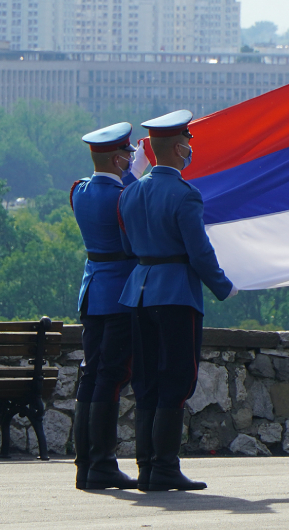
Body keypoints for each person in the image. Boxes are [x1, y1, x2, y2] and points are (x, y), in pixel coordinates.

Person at [117, 109, 238, 492]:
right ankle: (166, 467)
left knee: (147, 380)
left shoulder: (131, 191)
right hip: (176, 294)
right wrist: (223, 286)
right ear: (180, 146)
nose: (190, 149)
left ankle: (147, 467)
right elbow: (199, 253)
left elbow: (126, 246)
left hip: (139, 291)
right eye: (188, 142)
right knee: (177, 379)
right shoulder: (185, 194)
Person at [69, 122, 140, 490]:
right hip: (118, 295)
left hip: (92, 291)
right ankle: (103, 462)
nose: (132, 159)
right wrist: (134, 179)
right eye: (127, 154)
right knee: (110, 379)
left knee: (91, 376)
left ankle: (86, 464)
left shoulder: (78, 191)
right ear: (117, 158)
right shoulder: (125, 196)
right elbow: (133, 244)